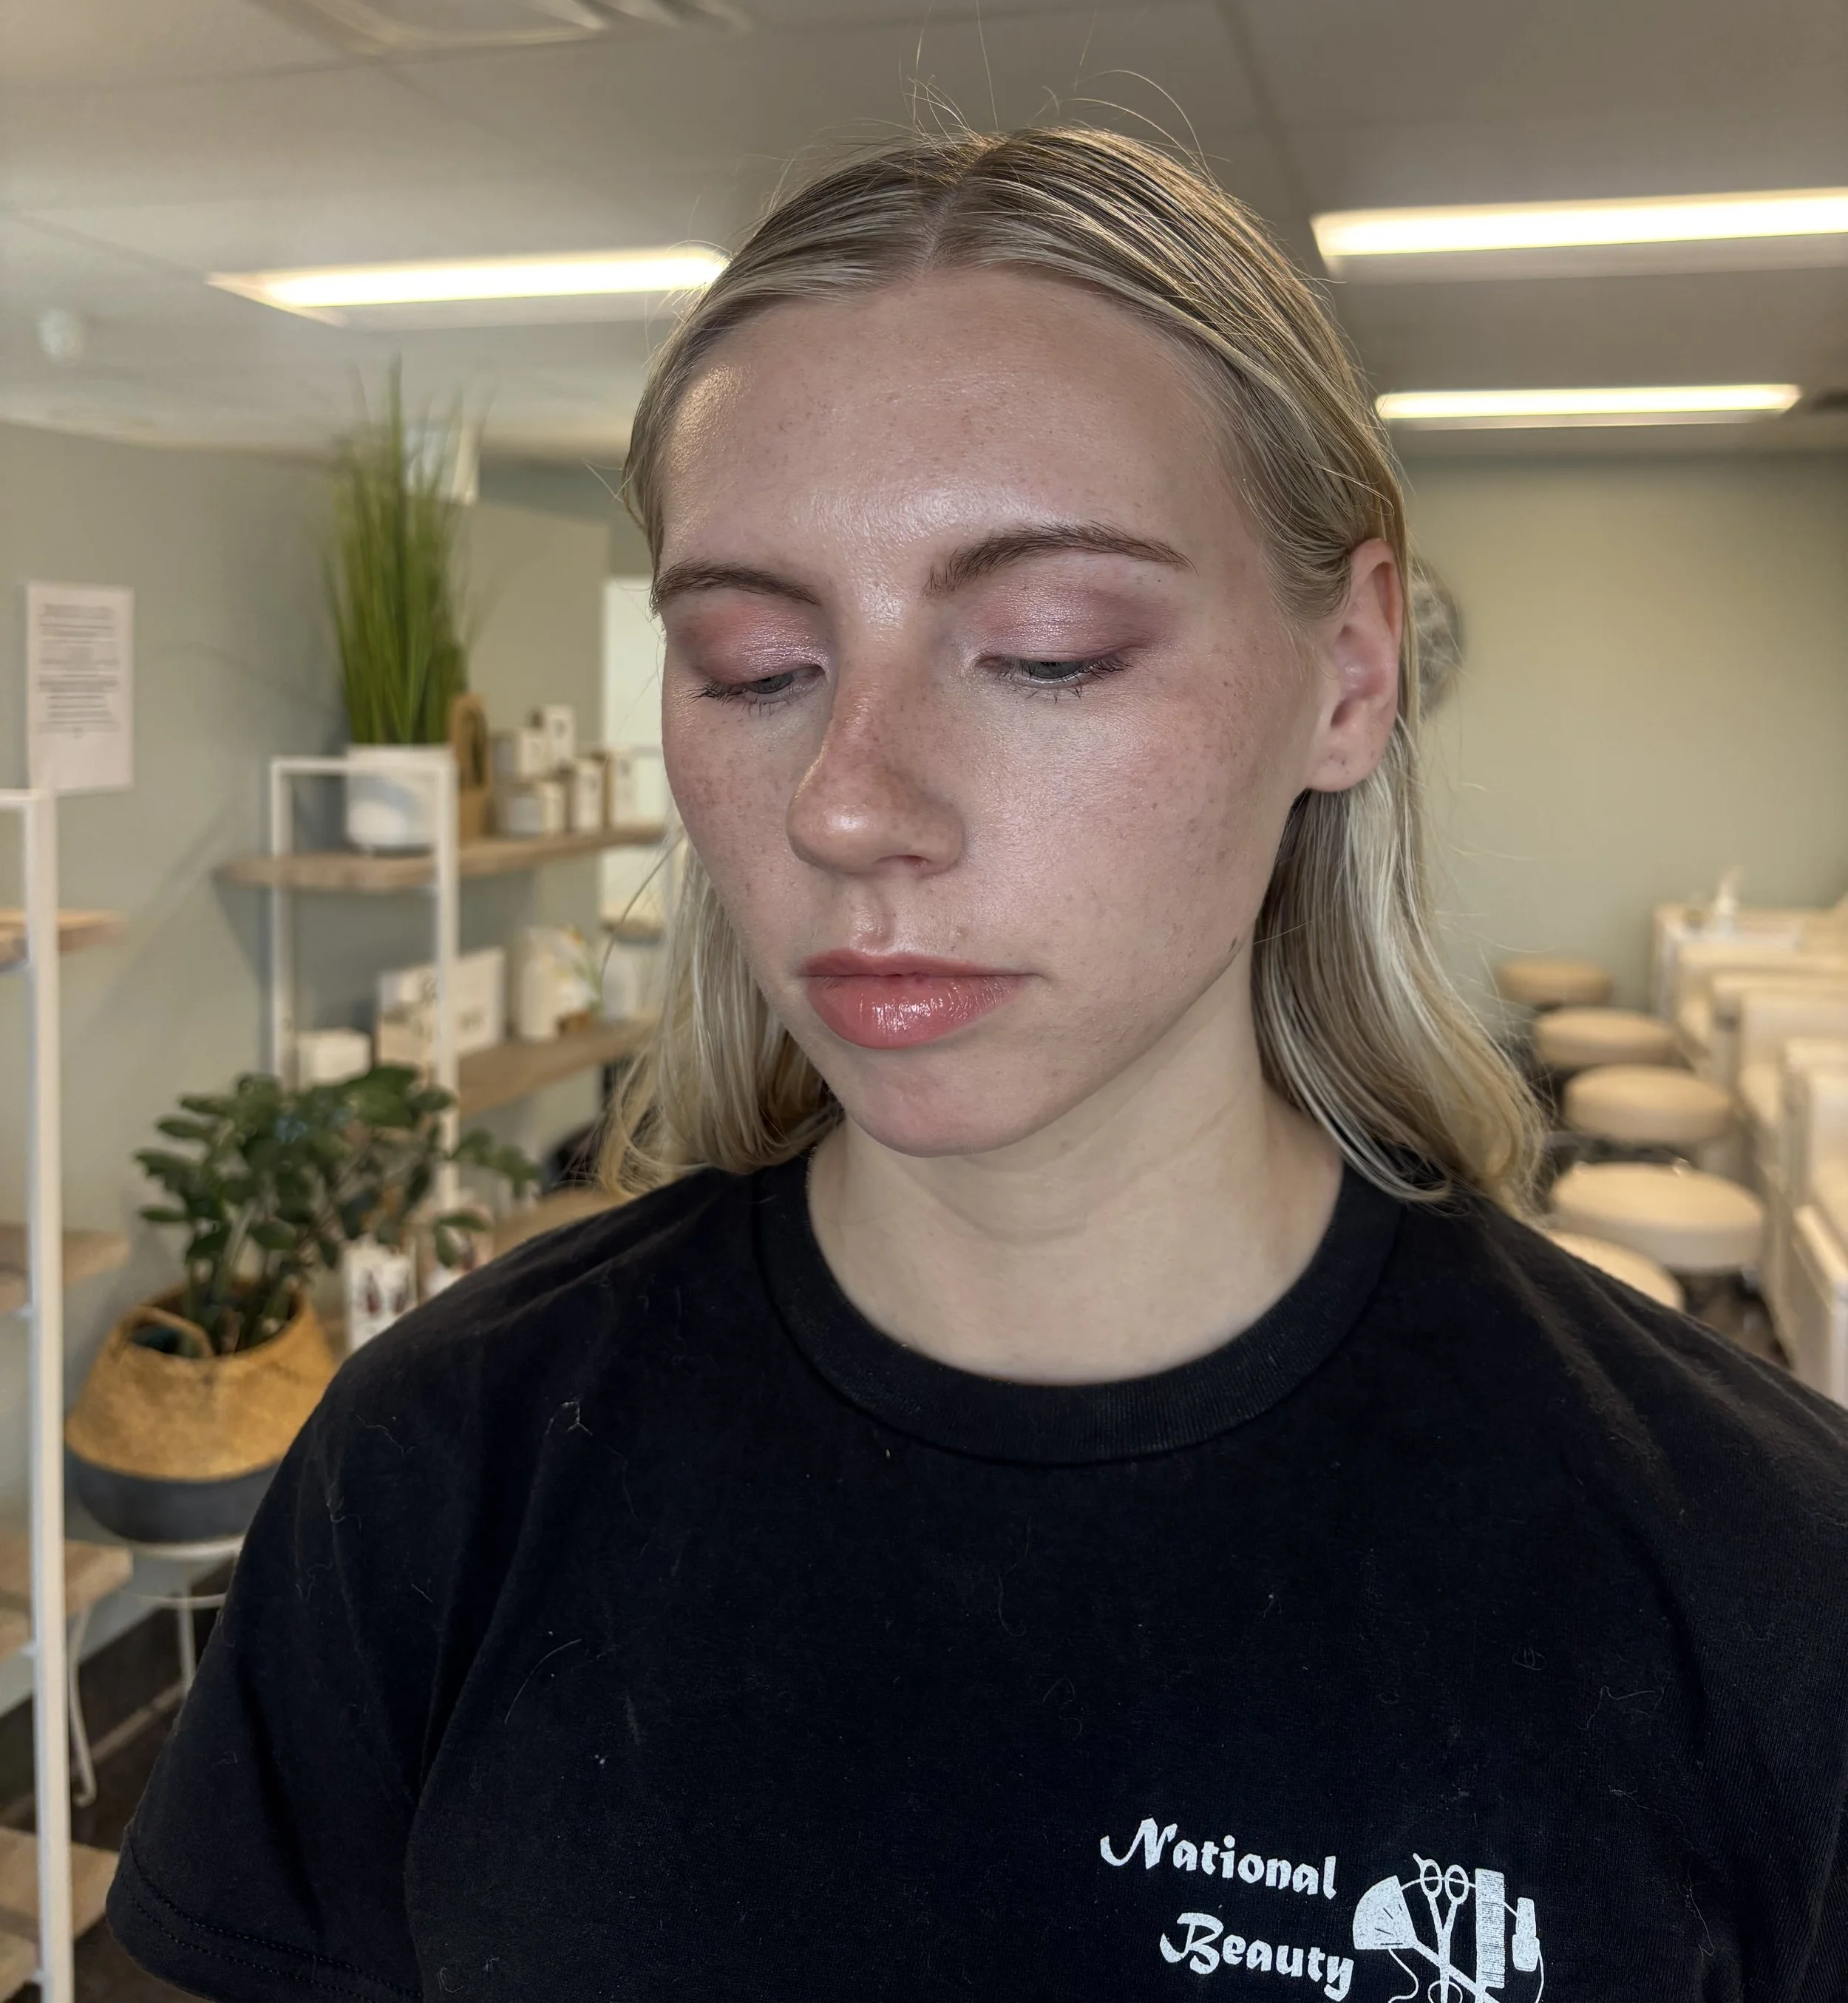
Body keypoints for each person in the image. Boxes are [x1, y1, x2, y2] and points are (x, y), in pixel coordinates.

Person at [110, 129, 1848, 2003]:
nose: (845, 802)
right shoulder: (436, 1467)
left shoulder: (1760, 1570)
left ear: (1348, 676)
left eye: (1045, 650)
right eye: (754, 664)